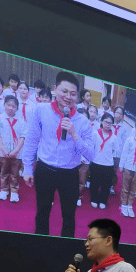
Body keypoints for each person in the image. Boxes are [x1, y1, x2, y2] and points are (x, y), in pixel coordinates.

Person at [21, 72, 96, 237]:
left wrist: (75, 134)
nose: (68, 97)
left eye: (73, 93)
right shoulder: (41, 110)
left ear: (78, 96)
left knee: (69, 215)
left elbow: (91, 155)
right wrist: (27, 167)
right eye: (64, 91)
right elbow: (32, 140)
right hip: (44, 170)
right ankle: (41, 242)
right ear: (55, 89)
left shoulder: (83, 122)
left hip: (69, 174)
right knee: (42, 211)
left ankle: (65, 246)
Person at [0, 95, 25, 202]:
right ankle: (4, 190)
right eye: (9, 105)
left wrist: (16, 150)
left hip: (17, 153)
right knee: (4, 172)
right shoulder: (0, 118)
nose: (11, 108)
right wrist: (2, 148)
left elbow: (23, 136)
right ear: (4, 105)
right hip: (3, 152)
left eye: (14, 106)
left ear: (17, 108)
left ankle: (14, 191)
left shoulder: (21, 120)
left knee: (15, 173)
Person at [88, 113, 119, 209]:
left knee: (106, 184)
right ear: (101, 122)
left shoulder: (114, 137)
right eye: (106, 122)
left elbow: (115, 150)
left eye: (110, 123)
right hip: (96, 162)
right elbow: (91, 147)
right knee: (94, 183)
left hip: (108, 164)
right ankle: (94, 199)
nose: (108, 124)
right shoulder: (95, 133)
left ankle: (103, 200)